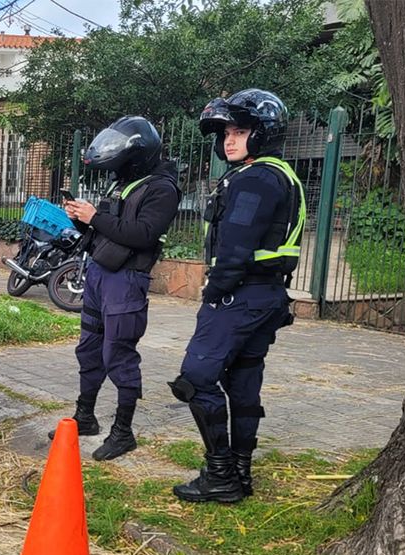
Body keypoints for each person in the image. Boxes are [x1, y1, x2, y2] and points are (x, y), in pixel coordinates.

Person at [170, 89, 305, 503]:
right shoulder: (279, 174)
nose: (228, 140)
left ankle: (222, 474)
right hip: (266, 298)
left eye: (240, 130)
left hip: (240, 297)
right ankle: (241, 473)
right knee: (244, 381)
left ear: (263, 133)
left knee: (195, 378)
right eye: (226, 132)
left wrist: (215, 291)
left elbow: (235, 245)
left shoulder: (255, 179)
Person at [53, 116, 181, 461]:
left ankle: (123, 432)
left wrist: (94, 217)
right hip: (98, 273)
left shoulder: (162, 188)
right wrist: (80, 222)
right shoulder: (124, 183)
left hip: (126, 281)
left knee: (118, 354)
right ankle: (85, 416)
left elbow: (141, 234)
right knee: (90, 349)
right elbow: (108, 230)